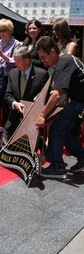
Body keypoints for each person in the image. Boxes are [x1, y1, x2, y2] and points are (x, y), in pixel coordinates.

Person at [35, 36, 84, 179]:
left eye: (44, 57)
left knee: (56, 130)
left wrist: (42, 115)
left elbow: (57, 95)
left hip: (79, 102)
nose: (43, 61)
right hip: (78, 101)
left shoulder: (63, 63)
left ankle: (57, 167)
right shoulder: (66, 60)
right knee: (67, 132)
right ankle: (82, 157)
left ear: (52, 51)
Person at [2, 46, 49, 142]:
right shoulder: (13, 73)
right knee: (5, 147)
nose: (15, 64)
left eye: (17, 62)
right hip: (13, 119)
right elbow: (8, 95)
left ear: (27, 61)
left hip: (32, 121)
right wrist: (15, 103)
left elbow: (45, 97)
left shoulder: (42, 74)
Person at [0, 18, 21, 126]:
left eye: (4, 30)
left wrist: (2, 55)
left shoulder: (16, 44)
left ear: (10, 30)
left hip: (8, 79)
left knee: (6, 105)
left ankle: (6, 130)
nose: (1, 33)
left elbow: (16, 61)